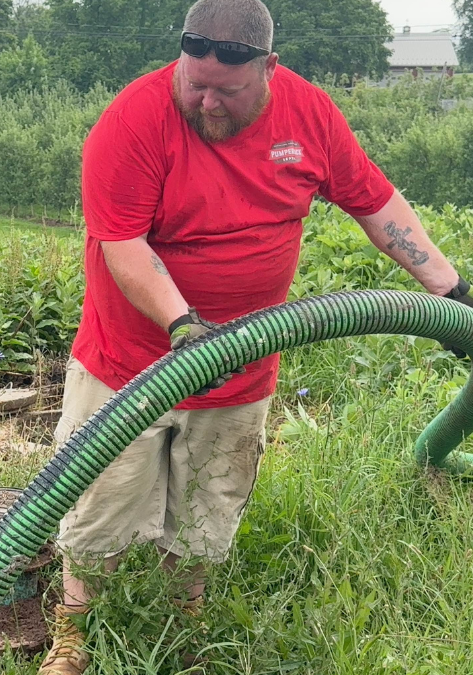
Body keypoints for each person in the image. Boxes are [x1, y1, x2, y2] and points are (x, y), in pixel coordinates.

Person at [39, 0, 473, 672]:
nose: (207, 101)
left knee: (210, 507)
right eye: (195, 83)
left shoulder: (309, 114)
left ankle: (187, 630)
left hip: (243, 366)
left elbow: (373, 200)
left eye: (227, 90)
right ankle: (72, 632)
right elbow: (121, 244)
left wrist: (451, 294)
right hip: (128, 366)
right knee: (101, 503)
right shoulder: (132, 120)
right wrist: (184, 327)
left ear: (269, 68)